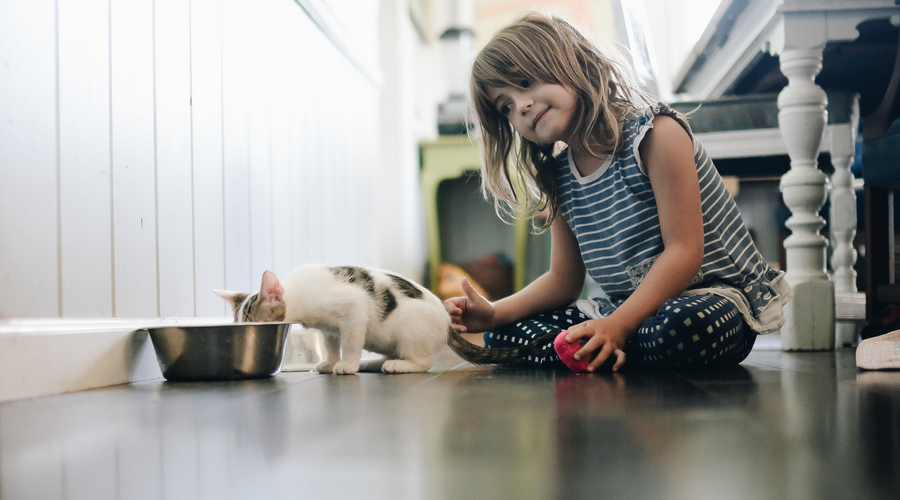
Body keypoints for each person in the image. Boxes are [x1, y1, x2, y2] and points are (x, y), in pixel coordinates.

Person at [443, 12, 792, 372]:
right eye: (506, 106)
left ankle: (601, 348)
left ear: (573, 61)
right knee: (500, 335)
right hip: (622, 312)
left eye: (526, 82)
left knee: (682, 327)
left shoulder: (657, 135)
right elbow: (563, 281)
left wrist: (620, 325)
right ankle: (605, 347)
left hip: (710, 299)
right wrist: (495, 312)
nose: (522, 105)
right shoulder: (558, 177)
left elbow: (684, 252)